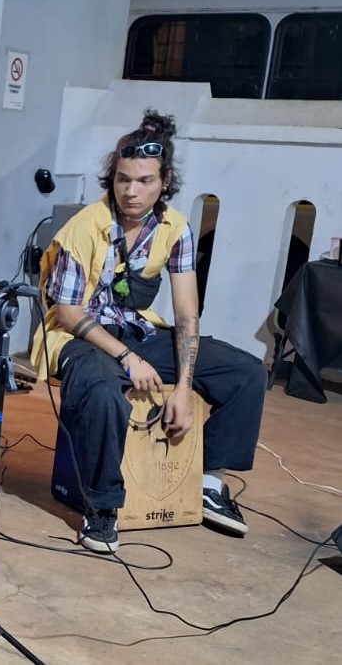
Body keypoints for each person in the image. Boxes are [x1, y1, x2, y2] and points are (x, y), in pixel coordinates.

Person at [32, 108, 266, 554]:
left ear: (164, 183)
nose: (131, 191)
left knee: (246, 374)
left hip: (137, 330)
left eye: (144, 181)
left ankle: (207, 479)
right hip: (80, 337)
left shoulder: (175, 228)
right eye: (123, 179)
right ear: (111, 179)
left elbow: (186, 313)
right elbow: (65, 312)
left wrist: (183, 384)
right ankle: (101, 508)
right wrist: (126, 357)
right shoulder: (83, 228)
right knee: (102, 390)